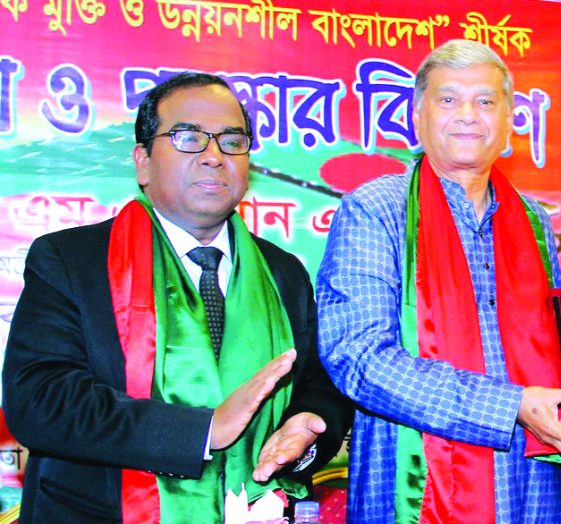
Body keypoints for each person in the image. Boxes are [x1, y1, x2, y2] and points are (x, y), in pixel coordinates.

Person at [2, 72, 353, 523]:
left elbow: (317, 382)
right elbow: (41, 400)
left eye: (232, 140)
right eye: (188, 137)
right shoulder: (72, 260)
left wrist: (307, 428)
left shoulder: (283, 271)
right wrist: (204, 430)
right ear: (143, 161)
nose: (213, 156)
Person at [316, 39, 561, 523]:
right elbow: (359, 358)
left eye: (486, 101)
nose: (468, 115)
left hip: (529, 476)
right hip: (412, 473)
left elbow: (546, 349)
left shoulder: (532, 219)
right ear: (417, 115)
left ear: (509, 119)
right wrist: (508, 405)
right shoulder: (376, 210)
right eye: (448, 99)